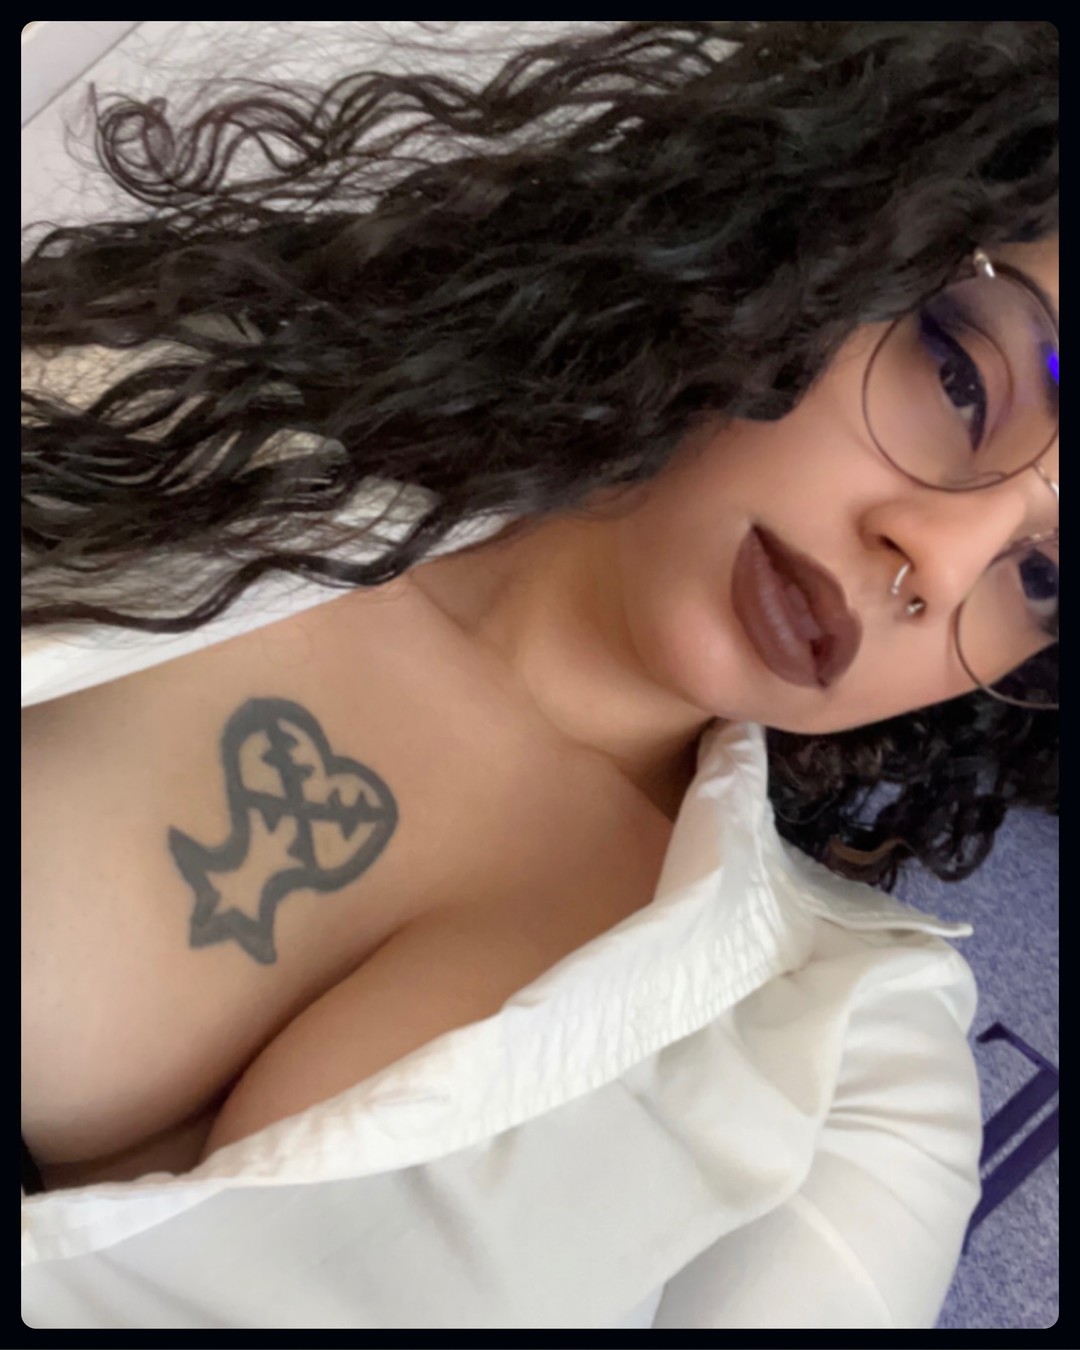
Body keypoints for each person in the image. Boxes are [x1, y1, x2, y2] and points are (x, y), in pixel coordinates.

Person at [21, 21, 1057, 1329]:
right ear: (830, 239)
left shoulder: (858, 1063)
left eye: (1044, 578)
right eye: (962, 376)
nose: (939, 561)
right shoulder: (178, 416)